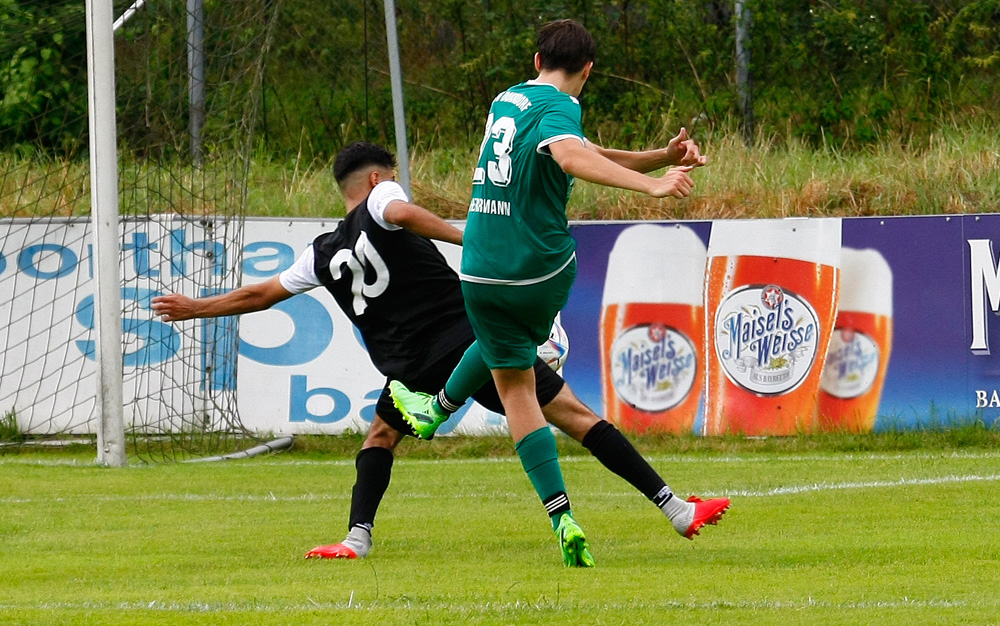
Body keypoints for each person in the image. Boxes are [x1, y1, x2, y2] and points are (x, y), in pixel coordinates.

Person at [151, 141, 728, 566]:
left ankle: (356, 537)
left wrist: (195, 307)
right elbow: (399, 213)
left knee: (380, 437)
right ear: (377, 177)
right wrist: (467, 238)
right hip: (468, 343)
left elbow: (259, 294)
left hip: (407, 368)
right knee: (575, 416)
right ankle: (674, 507)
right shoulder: (384, 197)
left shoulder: (320, 252)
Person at [390, 19, 713, 567]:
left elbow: (580, 148)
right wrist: (653, 185)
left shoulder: (506, 101)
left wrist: (658, 157)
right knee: (513, 362)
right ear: (587, 71)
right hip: (536, 272)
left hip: (478, 266)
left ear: (536, 60)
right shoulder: (565, 110)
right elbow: (570, 155)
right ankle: (449, 402)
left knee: (508, 368)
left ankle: (454, 423)